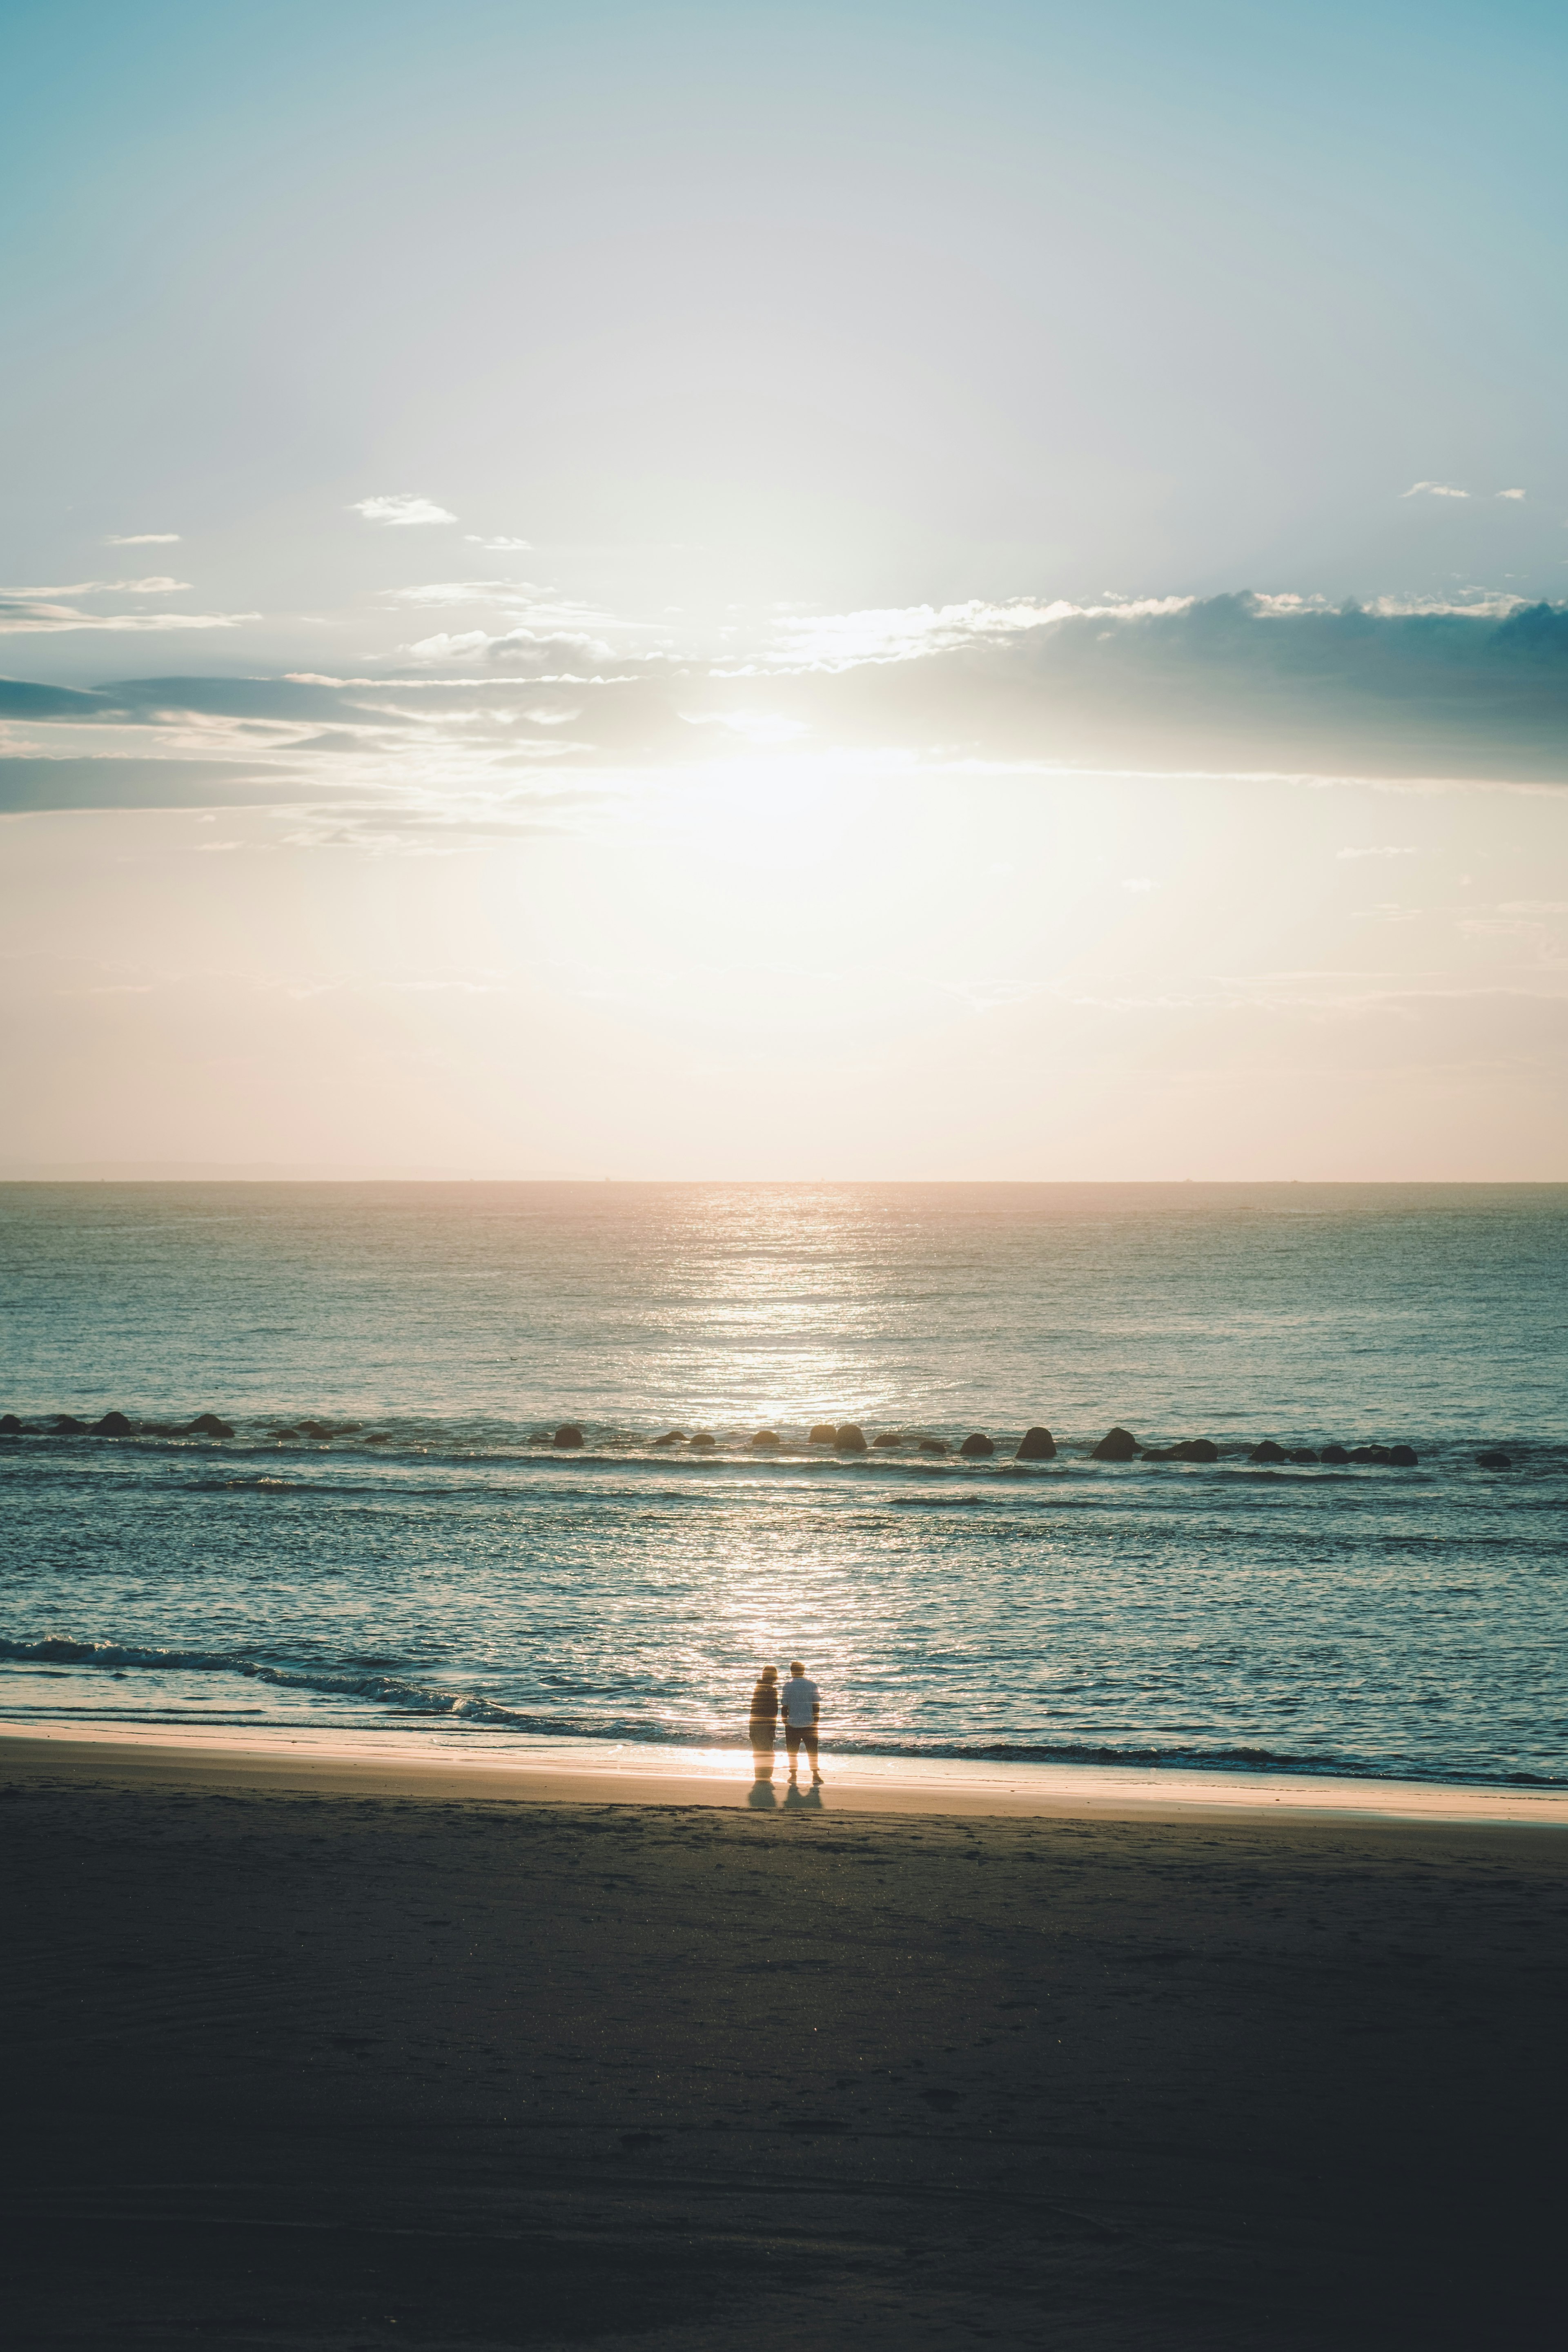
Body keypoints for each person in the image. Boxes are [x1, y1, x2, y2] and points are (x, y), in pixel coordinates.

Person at [780, 1659, 822, 1783]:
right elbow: (816, 1705)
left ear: (792, 1672)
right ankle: (815, 1775)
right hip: (809, 1722)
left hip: (793, 1722)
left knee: (792, 1751)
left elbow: (785, 1705)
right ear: (803, 1671)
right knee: (813, 1750)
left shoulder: (788, 1685)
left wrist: (785, 1720)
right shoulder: (812, 1685)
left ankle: (793, 1776)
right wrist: (816, 1719)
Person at [748, 1664, 780, 1781]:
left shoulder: (758, 1689)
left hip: (755, 1723)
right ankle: (766, 1775)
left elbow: (754, 1708)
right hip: (765, 1724)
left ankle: (759, 1774)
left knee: (757, 1750)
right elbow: (773, 1711)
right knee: (767, 1750)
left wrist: (751, 1726)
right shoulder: (772, 1691)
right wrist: (773, 1729)